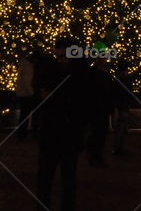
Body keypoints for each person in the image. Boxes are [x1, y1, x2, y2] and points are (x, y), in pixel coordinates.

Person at [34, 37, 88, 211]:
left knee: (67, 180)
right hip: (52, 134)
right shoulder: (51, 71)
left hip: (68, 135)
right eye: (58, 56)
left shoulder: (78, 74)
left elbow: (80, 104)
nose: (60, 60)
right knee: (46, 179)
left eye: (63, 56)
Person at [85, 57, 113, 167]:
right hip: (98, 108)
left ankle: (94, 155)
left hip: (101, 108)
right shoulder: (96, 74)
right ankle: (95, 156)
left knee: (99, 134)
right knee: (97, 133)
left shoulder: (102, 74)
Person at [16, 52, 36, 140]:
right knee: (26, 114)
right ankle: (23, 134)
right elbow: (27, 81)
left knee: (23, 114)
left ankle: (21, 134)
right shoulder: (28, 66)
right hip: (26, 94)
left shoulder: (22, 65)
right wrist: (32, 93)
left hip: (21, 93)